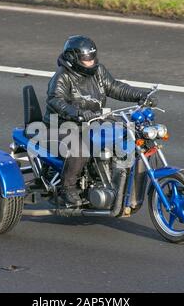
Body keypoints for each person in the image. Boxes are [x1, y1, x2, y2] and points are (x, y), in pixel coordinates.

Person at [43, 35, 158, 207]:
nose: (90, 62)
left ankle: (112, 179)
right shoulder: (62, 76)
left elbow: (114, 87)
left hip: (94, 121)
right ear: (73, 58)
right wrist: (78, 113)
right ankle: (67, 188)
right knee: (80, 147)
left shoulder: (98, 71)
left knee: (126, 133)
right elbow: (55, 100)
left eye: (92, 57)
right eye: (85, 59)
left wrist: (141, 96)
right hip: (62, 125)